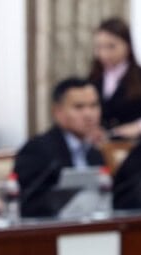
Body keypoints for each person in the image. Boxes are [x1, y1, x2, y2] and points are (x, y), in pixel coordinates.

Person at [13, 77, 105, 216]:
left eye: (94, 106)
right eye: (79, 107)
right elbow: (28, 204)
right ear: (57, 112)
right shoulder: (37, 150)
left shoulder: (94, 153)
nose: (89, 114)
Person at [88, 17, 141, 139]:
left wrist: (140, 126)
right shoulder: (93, 78)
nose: (104, 54)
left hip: (134, 145)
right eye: (99, 47)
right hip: (99, 147)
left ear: (127, 45)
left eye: (111, 46)